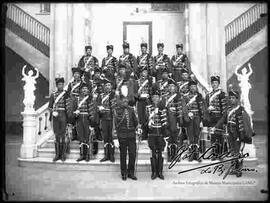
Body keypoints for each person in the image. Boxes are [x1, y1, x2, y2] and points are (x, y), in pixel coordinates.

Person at [213, 89, 253, 177]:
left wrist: (242, 136)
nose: (231, 99)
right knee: (232, 151)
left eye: (233, 98)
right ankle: (234, 168)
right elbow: (223, 119)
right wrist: (216, 126)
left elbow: (245, 122)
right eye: (230, 98)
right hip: (229, 133)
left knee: (238, 151)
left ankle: (239, 170)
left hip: (238, 133)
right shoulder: (228, 109)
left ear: (237, 99)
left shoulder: (241, 109)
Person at [113, 89, 140, 181]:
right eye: (123, 100)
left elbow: (136, 122)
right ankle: (123, 173)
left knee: (132, 154)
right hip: (122, 135)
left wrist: (139, 128)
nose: (125, 102)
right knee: (123, 155)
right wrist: (115, 138)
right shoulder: (117, 111)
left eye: (126, 100)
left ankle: (131, 173)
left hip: (131, 135)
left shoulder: (131, 110)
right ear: (120, 101)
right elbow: (114, 125)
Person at [146, 85, 168, 180]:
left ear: (159, 98)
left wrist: (165, 133)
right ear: (152, 98)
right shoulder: (148, 108)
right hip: (152, 133)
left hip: (160, 133)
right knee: (153, 153)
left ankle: (160, 172)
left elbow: (165, 121)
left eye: (157, 97)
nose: (155, 99)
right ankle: (154, 172)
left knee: (160, 153)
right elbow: (146, 120)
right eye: (154, 97)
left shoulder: (162, 108)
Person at [164, 79, 187, 162]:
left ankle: (177, 156)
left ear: (175, 88)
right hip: (167, 119)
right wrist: (168, 109)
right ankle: (170, 156)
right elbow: (163, 109)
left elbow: (180, 110)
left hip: (175, 120)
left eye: (172, 86)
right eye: (169, 86)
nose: (171, 88)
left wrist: (179, 122)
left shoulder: (178, 97)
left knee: (177, 138)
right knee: (169, 138)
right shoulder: (165, 97)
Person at [204, 75, 227, 160]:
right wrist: (208, 110)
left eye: (216, 83)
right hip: (211, 118)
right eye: (213, 83)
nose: (214, 84)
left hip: (219, 118)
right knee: (213, 137)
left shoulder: (222, 94)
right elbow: (206, 107)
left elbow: (224, 109)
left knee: (220, 137)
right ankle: (214, 154)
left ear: (218, 84)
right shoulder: (209, 95)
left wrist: (223, 120)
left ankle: (220, 154)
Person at [182, 79, 205, 162]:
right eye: (191, 86)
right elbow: (184, 108)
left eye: (194, 86)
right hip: (190, 118)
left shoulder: (199, 96)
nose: (193, 88)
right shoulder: (185, 96)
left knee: (197, 135)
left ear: (196, 87)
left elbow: (202, 109)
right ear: (189, 87)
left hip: (198, 118)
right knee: (190, 135)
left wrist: (202, 120)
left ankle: (197, 154)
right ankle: (191, 154)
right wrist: (188, 113)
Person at [48, 77, 69, 162]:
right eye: (59, 84)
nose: (60, 85)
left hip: (64, 115)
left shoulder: (66, 94)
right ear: (57, 85)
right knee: (57, 135)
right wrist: (53, 111)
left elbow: (69, 107)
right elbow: (49, 107)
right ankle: (57, 155)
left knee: (63, 135)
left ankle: (63, 155)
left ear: (63, 85)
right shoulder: (53, 94)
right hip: (56, 116)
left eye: (62, 84)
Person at [73, 83, 94, 162]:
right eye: (83, 88)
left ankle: (88, 155)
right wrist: (75, 113)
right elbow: (73, 110)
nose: (84, 90)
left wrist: (92, 123)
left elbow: (93, 112)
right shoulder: (77, 99)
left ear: (88, 90)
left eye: (86, 88)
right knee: (81, 137)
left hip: (87, 119)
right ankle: (82, 155)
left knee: (87, 137)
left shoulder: (91, 99)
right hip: (79, 119)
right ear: (81, 90)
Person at [96, 78, 115, 162]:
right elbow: (97, 106)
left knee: (111, 137)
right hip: (103, 118)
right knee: (105, 137)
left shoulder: (114, 95)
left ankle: (111, 155)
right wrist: (99, 109)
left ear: (111, 86)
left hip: (112, 118)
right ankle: (106, 155)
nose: (107, 87)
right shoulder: (100, 96)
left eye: (109, 85)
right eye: (106, 85)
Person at [134, 66, 153, 140]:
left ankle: (149, 134)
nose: (145, 73)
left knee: (148, 117)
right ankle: (143, 134)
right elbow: (135, 93)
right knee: (141, 118)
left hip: (147, 101)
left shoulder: (150, 81)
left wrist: (149, 96)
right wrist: (138, 96)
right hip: (140, 101)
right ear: (141, 73)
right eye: (143, 72)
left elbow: (152, 91)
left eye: (146, 72)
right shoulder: (137, 82)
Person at [66, 67, 83, 141]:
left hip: (80, 101)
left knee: (79, 118)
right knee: (72, 118)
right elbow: (68, 93)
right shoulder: (71, 84)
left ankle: (79, 135)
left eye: (77, 74)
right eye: (75, 74)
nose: (76, 75)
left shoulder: (83, 83)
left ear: (80, 75)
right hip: (72, 102)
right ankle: (73, 135)